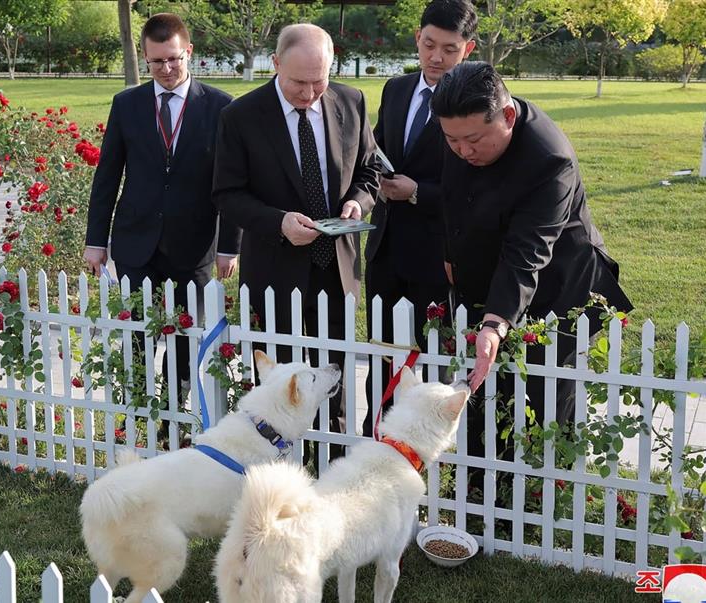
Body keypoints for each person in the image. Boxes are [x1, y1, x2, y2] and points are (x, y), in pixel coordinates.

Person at [430, 61, 633, 462]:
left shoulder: (549, 159)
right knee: (484, 400)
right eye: (452, 140)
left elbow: (528, 252)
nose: (462, 151)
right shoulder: (460, 129)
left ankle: (546, 501)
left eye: (472, 140)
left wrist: (495, 322)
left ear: (506, 116)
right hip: (494, 284)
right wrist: (451, 255)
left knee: (546, 410)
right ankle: (481, 494)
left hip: (559, 294)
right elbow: (452, 198)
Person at [212, 23, 379, 459]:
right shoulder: (240, 116)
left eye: (318, 81)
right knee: (281, 383)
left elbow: (369, 171)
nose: (309, 93)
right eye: (298, 82)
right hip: (274, 270)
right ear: (276, 65)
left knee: (334, 376)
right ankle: (282, 466)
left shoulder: (351, 100)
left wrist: (358, 204)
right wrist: (279, 222)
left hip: (337, 269)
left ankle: (334, 465)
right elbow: (227, 195)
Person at [83, 13, 240, 429]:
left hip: (194, 247)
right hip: (136, 243)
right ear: (145, 59)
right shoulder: (127, 104)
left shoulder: (223, 107)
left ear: (189, 52)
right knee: (136, 335)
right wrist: (95, 239)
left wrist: (229, 246)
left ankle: (172, 417)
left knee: (186, 339)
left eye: (173, 59)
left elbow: (233, 184)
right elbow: (108, 176)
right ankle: (137, 416)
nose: (166, 70)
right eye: (156, 63)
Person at [362, 0, 477, 437]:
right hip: (386, 248)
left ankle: (426, 446)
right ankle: (377, 436)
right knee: (383, 356)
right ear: (417, 37)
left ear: (467, 49)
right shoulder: (396, 89)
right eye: (429, 44)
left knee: (430, 362)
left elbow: (477, 186)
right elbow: (377, 153)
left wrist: (418, 194)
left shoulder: (477, 99)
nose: (435, 57)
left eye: (449, 49)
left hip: (438, 251)